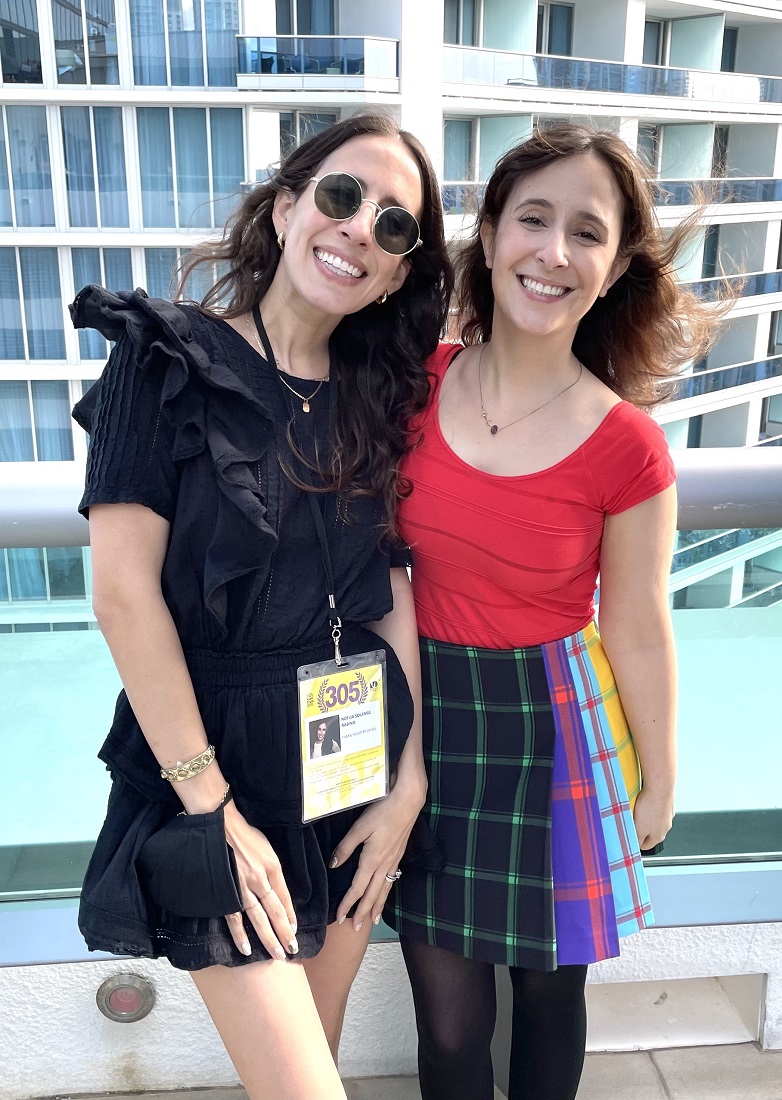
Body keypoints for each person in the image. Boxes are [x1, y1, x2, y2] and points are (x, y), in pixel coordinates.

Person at [71, 112, 451, 1100]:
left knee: (310, 1054)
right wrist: (213, 805)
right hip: (215, 755)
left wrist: (405, 779)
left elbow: (388, 588)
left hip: (350, 746)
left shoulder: (375, 394)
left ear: (399, 271)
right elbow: (121, 595)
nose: (360, 227)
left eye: (394, 225)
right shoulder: (162, 361)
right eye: (339, 195)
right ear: (286, 208)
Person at [384, 123, 716, 1100]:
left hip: (553, 724)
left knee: (544, 990)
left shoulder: (626, 447)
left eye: (586, 231)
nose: (553, 251)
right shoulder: (418, 379)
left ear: (612, 268)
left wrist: (659, 779)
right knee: (446, 1027)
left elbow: (639, 627)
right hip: (419, 713)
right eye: (532, 218)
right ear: (487, 237)